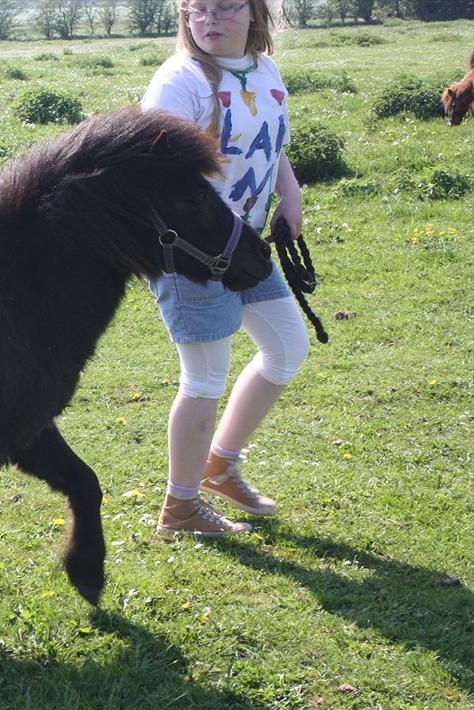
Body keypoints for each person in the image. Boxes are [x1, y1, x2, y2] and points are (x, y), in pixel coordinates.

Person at [141, 0, 310, 538]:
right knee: (204, 378)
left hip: (245, 245)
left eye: (224, 8)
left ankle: (218, 466)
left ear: (255, 12)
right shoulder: (180, 81)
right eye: (197, 10)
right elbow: (153, 172)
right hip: (193, 252)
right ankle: (180, 508)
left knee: (287, 347)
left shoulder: (263, 68)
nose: (209, 20)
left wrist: (289, 190)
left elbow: (273, 139)